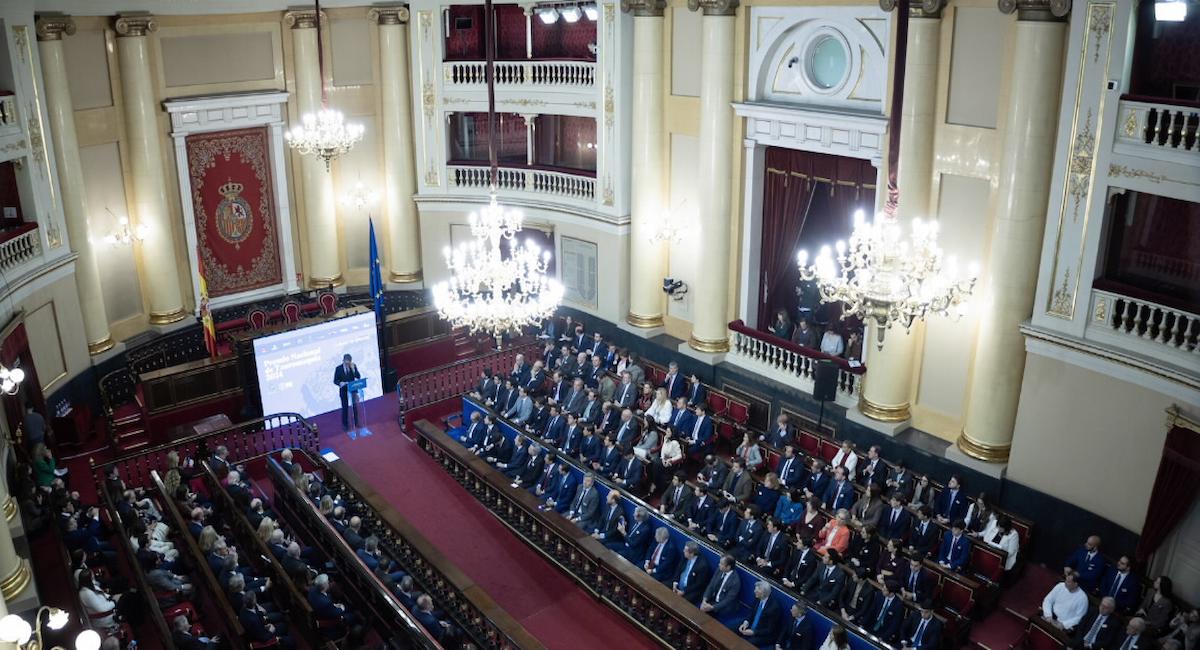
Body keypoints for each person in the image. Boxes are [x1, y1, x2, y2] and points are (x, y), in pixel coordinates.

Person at [700, 554, 741, 619]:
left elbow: (727, 600)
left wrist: (712, 607)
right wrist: (704, 600)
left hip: (724, 606)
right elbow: (711, 585)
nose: (719, 565)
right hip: (713, 600)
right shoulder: (719, 570)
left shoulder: (735, 581)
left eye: (721, 564)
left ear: (728, 567)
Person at [740, 581, 781, 645]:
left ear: (763, 593)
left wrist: (754, 632)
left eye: (756, 591)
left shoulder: (774, 608)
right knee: (733, 628)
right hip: (751, 626)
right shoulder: (758, 598)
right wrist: (746, 622)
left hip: (763, 634)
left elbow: (769, 630)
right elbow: (751, 612)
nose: (754, 591)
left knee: (746, 644)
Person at [333, 354, 362, 431]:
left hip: (352, 390)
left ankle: (356, 422)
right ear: (343, 361)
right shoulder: (338, 368)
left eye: (348, 363)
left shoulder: (353, 366)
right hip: (343, 391)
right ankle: (345, 425)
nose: (347, 364)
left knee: (355, 406)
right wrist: (340, 383)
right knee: (345, 408)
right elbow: (335, 380)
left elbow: (358, 376)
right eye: (346, 363)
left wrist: (353, 369)